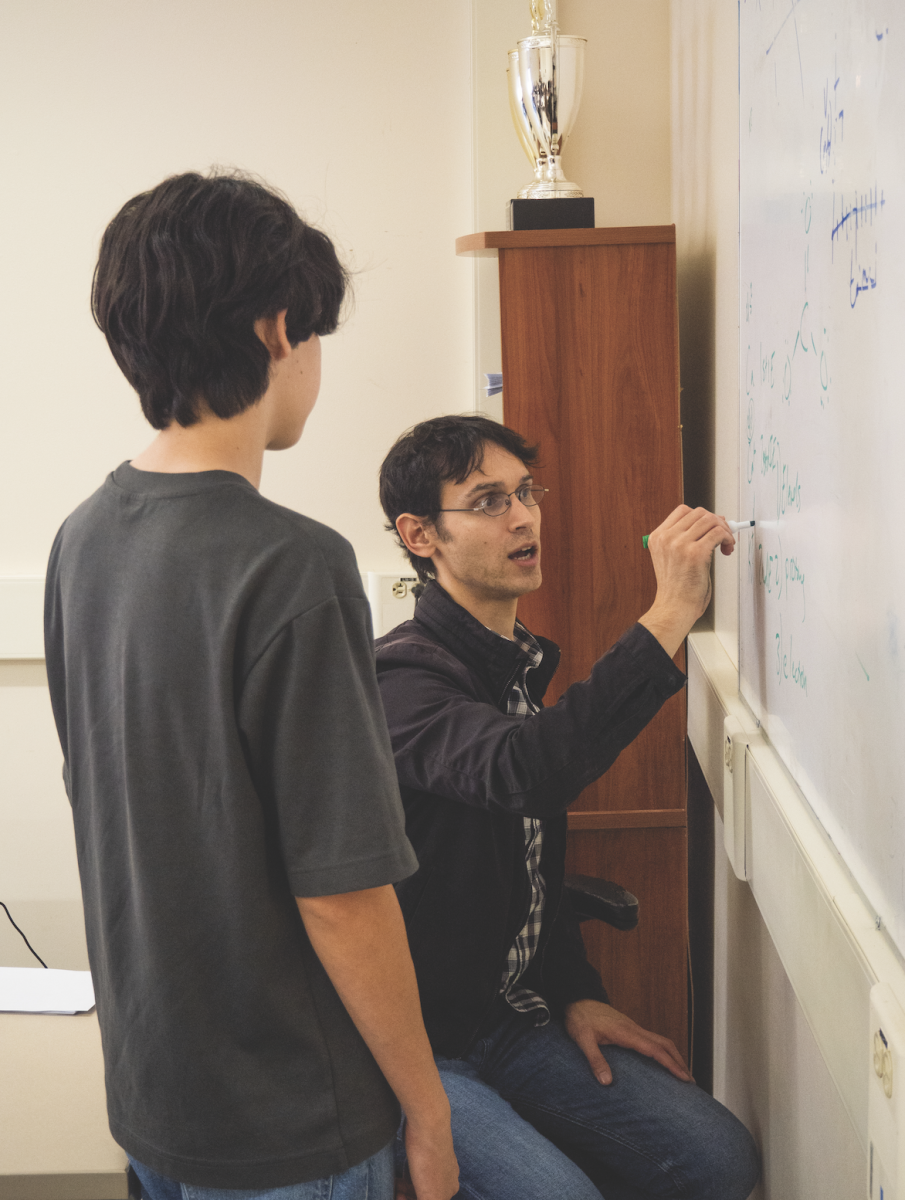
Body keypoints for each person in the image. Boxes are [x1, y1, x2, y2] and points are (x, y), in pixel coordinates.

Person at [43, 172, 458, 1200]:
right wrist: (428, 1108)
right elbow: (343, 893)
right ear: (278, 330)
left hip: (153, 1097)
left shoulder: (81, 540)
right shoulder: (293, 567)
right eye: (315, 334)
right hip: (292, 1123)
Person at [376, 414, 760, 1200]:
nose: (522, 518)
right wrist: (668, 616)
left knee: (717, 1161)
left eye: (524, 492)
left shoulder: (515, 663)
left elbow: (526, 860)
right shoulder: (401, 680)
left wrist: (574, 989)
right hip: (416, 1047)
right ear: (420, 536)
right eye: (486, 501)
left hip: (512, 1019)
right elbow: (527, 774)